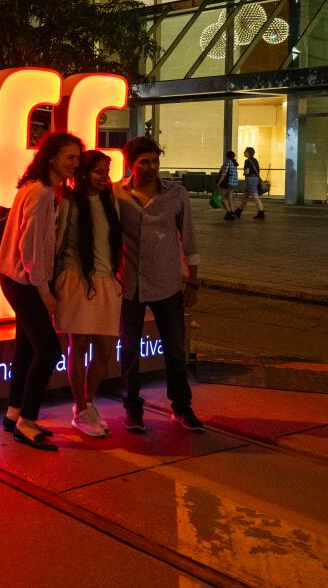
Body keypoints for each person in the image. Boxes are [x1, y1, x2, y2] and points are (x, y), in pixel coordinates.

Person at [0, 131, 83, 451]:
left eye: (77, 158)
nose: (75, 164)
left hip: (16, 278)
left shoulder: (37, 189)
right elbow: (30, 244)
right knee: (48, 352)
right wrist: (43, 288)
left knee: (26, 348)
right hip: (25, 281)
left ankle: (13, 413)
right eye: (69, 157)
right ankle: (27, 422)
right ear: (51, 158)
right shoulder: (43, 193)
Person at [115, 136, 204, 432]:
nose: (152, 167)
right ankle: (132, 407)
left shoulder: (176, 194)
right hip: (129, 284)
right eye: (145, 162)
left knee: (174, 349)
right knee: (129, 349)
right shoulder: (116, 194)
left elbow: (189, 238)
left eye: (155, 161)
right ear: (131, 164)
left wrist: (193, 281)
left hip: (167, 283)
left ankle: (181, 406)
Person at [53, 150, 123, 438]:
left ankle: (89, 401)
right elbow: (57, 243)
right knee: (78, 346)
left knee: (105, 349)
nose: (103, 177)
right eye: (97, 171)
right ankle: (80, 407)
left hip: (107, 281)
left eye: (106, 171)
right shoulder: (69, 203)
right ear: (83, 173)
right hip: (77, 279)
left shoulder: (111, 201)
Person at [238, 146, 265, 220]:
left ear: (248, 152)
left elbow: (247, 172)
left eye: (245, 151)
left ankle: (261, 212)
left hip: (250, 180)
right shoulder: (255, 160)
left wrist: (245, 174)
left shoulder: (247, 161)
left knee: (255, 196)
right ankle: (239, 211)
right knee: (245, 196)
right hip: (255, 179)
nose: (243, 152)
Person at [215, 151, 239, 221]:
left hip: (228, 183)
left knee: (221, 198)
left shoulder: (227, 162)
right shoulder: (234, 163)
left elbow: (224, 174)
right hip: (233, 183)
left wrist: (218, 183)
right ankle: (232, 212)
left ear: (226, 156)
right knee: (229, 198)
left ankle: (229, 212)